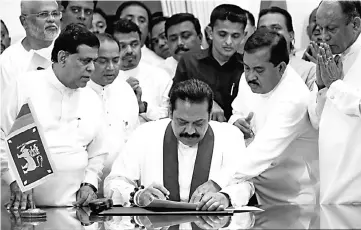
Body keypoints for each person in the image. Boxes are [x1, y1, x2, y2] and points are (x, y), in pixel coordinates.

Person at [206, 28, 319, 206]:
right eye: (246, 67)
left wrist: (216, 183)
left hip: (297, 199)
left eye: (258, 70)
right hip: (255, 189)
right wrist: (236, 122)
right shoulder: (248, 78)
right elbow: (237, 112)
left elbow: (261, 151)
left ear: (281, 67)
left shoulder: (294, 99)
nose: (250, 76)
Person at [104, 79, 254, 210]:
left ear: (209, 116)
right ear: (170, 113)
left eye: (198, 123)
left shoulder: (230, 136)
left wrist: (226, 197)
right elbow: (114, 182)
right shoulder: (145, 134)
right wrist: (138, 195)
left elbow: (246, 186)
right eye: (182, 122)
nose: (190, 131)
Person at [1, 24, 107, 209]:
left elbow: (98, 151)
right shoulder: (25, 86)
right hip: (21, 207)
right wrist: (12, 179)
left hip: (72, 209)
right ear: (62, 57)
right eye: (85, 61)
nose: (92, 68)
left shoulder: (92, 98)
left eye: (94, 61)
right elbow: (1, 135)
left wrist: (90, 183)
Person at [308, 0, 361, 204]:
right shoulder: (328, 56)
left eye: (330, 28)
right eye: (319, 29)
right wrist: (322, 88)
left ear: (355, 24)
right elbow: (316, 121)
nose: (323, 37)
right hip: (330, 188)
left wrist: (335, 85)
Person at [172, 4, 247, 121]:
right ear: (210, 32)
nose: (228, 42)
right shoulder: (190, 61)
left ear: (243, 36)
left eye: (235, 36)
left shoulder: (246, 66)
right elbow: (175, 98)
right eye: (222, 34)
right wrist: (206, 103)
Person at [87, 33, 139, 196]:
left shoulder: (126, 90)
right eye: (102, 61)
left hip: (120, 186)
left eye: (115, 60)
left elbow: (132, 139)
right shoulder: (78, 92)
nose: (110, 67)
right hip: (84, 187)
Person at [113, 19, 172, 124]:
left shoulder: (160, 76)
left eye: (134, 44)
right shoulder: (104, 77)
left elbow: (169, 114)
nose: (130, 51)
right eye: (123, 46)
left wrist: (143, 108)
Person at [0, 0, 61, 101]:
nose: (51, 19)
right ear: (24, 21)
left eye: (55, 14)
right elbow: (6, 111)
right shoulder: (7, 62)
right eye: (43, 14)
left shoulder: (71, 49)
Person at [258, 7, 316, 90]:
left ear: (291, 35)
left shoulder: (309, 70)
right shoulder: (250, 70)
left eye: (276, 28)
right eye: (262, 29)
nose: (268, 33)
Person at [115, 1, 164, 66]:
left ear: (148, 29)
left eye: (141, 21)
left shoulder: (159, 65)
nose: (136, 24)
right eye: (129, 20)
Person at [162, 13, 203, 78]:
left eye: (185, 36)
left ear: (200, 38)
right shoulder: (161, 73)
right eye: (173, 39)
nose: (179, 43)